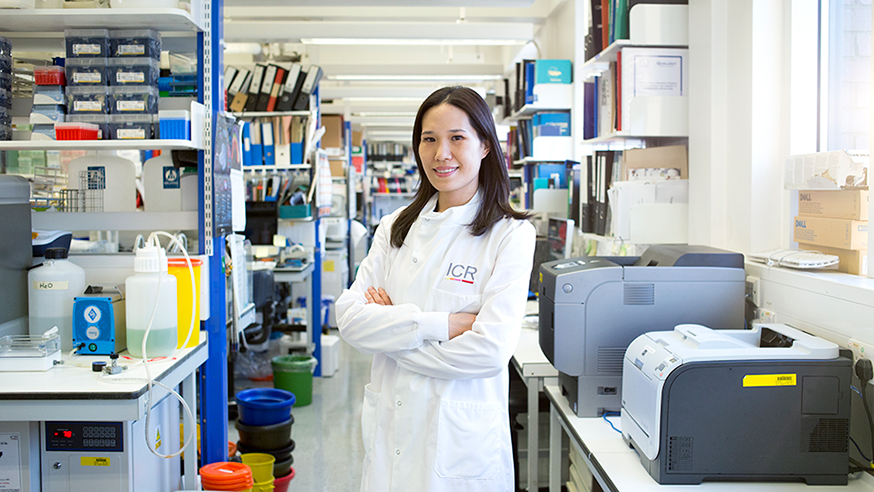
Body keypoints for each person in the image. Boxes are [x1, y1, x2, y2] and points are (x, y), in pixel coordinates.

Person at [336, 86, 536, 492]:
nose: (441, 153)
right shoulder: (395, 228)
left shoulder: (511, 235)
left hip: (460, 450)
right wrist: (444, 324)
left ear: (484, 146)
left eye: (456, 138)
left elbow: (490, 351)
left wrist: (390, 331)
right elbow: (350, 320)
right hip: (391, 436)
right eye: (429, 139)